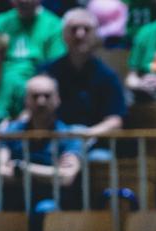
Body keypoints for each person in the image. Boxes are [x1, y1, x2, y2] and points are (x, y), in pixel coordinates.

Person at [0, 74, 83, 213]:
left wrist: (23, 169)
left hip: (50, 202)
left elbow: (66, 177)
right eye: (35, 96)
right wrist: (49, 175)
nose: (41, 101)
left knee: (45, 209)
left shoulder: (69, 136)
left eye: (47, 96)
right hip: (11, 202)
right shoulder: (10, 132)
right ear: (26, 100)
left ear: (57, 99)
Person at [41, 8, 126, 158]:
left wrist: (85, 134)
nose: (80, 34)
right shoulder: (47, 73)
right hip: (53, 142)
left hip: (93, 144)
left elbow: (115, 121)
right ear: (64, 35)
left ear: (95, 35)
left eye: (86, 29)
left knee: (101, 159)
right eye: (73, 29)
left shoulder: (107, 76)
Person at [0, 0, 66, 82]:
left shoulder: (54, 26)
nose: (24, 1)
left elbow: (55, 66)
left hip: (38, 83)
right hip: (2, 84)